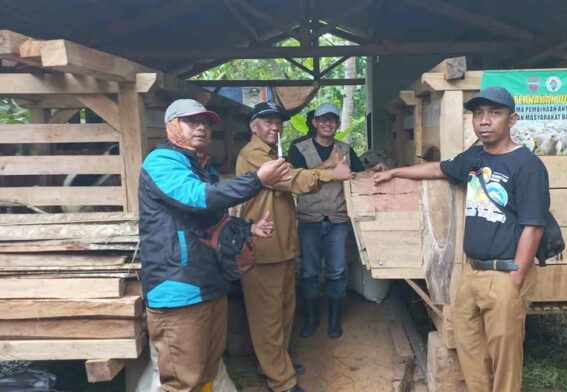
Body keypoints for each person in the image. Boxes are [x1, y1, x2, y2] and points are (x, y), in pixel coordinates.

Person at [373, 87, 550, 392]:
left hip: (505, 273)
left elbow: (533, 227)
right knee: (469, 345)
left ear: (512, 119)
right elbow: (438, 168)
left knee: (504, 353)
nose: (484, 121)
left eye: (495, 113)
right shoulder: (475, 156)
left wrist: (516, 278)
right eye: (478, 113)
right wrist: (395, 172)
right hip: (471, 272)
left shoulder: (528, 166)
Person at [139, 99, 289, 392]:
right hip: (179, 288)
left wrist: (250, 229)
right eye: (191, 121)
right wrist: (257, 179)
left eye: (206, 123)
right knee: (184, 381)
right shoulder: (161, 162)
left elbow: (212, 220)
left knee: (207, 369)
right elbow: (199, 198)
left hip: (209, 281)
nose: (201, 128)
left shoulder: (201, 166)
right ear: (171, 126)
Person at [236, 101, 352, 392]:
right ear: (253, 126)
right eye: (267, 122)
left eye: (278, 122)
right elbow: (292, 179)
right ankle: (281, 381)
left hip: (282, 245)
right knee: (268, 319)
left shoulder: (270, 153)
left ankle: (278, 364)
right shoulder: (253, 155)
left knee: (284, 311)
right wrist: (330, 174)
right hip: (263, 248)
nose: (275, 127)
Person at [288, 102, 386, 339]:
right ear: (314, 123)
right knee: (310, 272)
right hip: (309, 218)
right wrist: (330, 164)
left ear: (337, 124)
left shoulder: (344, 148)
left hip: (337, 219)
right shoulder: (299, 149)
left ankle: (334, 321)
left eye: (332, 120)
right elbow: (296, 178)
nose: (328, 124)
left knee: (337, 271)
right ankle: (311, 319)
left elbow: (356, 175)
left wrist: (374, 171)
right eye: (323, 120)